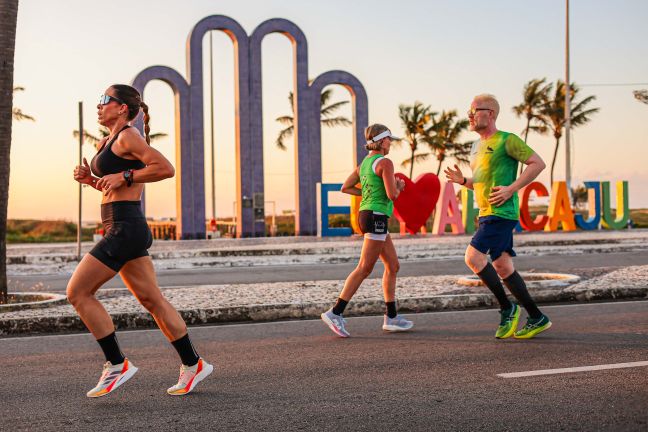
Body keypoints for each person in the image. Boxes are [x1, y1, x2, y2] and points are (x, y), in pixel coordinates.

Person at [70, 84, 213, 397]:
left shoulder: (128, 136)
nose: (99, 105)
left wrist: (124, 177)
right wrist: (91, 181)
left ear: (122, 108)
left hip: (125, 226)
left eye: (105, 100)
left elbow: (165, 168)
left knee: (78, 292)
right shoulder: (108, 140)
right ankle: (193, 364)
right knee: (152, 301)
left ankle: (116, 363)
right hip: (120, 225)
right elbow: (112, 186)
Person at [444, 94, 551, 339]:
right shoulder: (475, 147)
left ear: (490, 113)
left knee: (473, 258)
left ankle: (507, 308)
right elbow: (482, 183)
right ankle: (536, 317)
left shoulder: (507, 140)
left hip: (501, 212)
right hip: (486, 213)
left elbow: (537, 163)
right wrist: (463, 181)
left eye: (474, 110)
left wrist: (511, 188)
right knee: (502, 266)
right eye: (468, 111)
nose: (469, 116)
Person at [320, 124, 413, 337]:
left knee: (393, 265)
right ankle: (336, 312)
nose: (391, 144)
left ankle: (391, 317)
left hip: (368, 215)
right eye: (389, 140)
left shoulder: (364, 165)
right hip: (376, 217)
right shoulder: (385, 163)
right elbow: (392, 195)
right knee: (364, 268)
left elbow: (346, 187)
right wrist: (399, 187)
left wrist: (369, 195)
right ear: (381, 141)